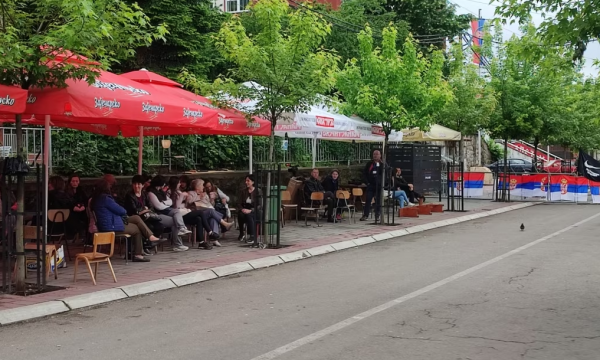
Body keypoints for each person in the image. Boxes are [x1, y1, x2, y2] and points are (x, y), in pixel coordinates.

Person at [91, 179, 160, 262]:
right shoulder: (106, 199)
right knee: (136, 229)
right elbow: (122, 211)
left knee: (136, 217)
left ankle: (150, 237)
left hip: (109, 223)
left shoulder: (97, 198)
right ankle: (138, 254)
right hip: (111, 226)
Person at [185, 178, 234, 247]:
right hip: (196, 214)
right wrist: (199, 197)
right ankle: (224, 224)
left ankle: (214, 239)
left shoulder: (204, 194)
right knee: (211, 211)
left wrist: (212, 199)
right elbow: (188, 202)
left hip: (206, 213)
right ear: (197, 187)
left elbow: (210, 205)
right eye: (202, 185)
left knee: (213, 218)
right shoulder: (191, 193)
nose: (203, 187)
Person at [124, 175, 167, 246]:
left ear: (143, 185)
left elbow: (151, 207)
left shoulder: (145, 194)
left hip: (147, 217)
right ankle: (145, 245)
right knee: (150, 227)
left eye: (138, 184)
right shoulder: (130, 195)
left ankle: (149, 244)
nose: (136, 186)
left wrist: (145, 210)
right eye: (134, 184)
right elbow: (134, 210)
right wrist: (145, 209)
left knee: (160, 226)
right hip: (136, 218)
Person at [360, 150, 384, 221]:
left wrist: (381, 182)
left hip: (379, 186)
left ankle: (377, 215)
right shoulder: (369, 164)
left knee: (378, 201)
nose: (375, 156)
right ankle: (365, 215)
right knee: (368, 199)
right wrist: (367, 182)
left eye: (377, 154)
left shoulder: (382, 164)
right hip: (370, 185)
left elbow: (385, 174)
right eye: (374, 154)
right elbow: (364, 173)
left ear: (380, 155)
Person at [237, 174, 261, 243]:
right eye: (246, 181)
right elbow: (239, 203)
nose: (246, 182)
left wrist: (251, 210)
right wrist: (242, 209)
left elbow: (260, 205)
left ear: (253, 182)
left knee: (249, 215)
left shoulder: (258, 191)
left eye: (248, 181)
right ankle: (241, 233)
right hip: (245, 209)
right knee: (240, 215)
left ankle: (252, 236)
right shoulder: (243, 191)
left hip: (255, 211)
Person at [65, 174, 89, 238]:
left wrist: (83, 206)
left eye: (76, 181)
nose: (75, 183)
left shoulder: (81, 190)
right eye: (73, 181)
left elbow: (86, 199)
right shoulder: (66, 191)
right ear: (70, 182)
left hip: (81, 210)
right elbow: (66, 202)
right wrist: (73, 207)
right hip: (71, 211)